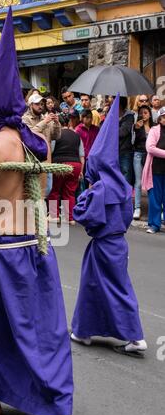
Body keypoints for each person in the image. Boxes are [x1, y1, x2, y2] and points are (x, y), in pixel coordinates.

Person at [0, 8, 75, 415]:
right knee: (41, 328)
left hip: (2, 249)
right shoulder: (35, 141)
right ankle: (56, 413)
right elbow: (40, 188)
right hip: (38, 246)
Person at [71, 95, 147, 358]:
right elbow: (123, 216)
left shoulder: (101, 188)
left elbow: (83, 214)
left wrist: (86, 195)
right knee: (99, 283)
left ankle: (134, 336)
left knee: (113, 286)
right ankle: (85, 330)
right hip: (118, 242)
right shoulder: (123, 187)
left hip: (104, 244)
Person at [48, 114, 85, 224]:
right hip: (75, 165)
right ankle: (69, 218)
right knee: (70, 192)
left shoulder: (56, 135)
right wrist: (81, 171)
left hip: (59, 164)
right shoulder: (77, 135)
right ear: (68, 123)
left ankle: (54, 215)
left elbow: (51, 151)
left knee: (55, 190)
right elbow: (82, 155)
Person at [142, 107, 165, 234]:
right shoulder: (154, 130)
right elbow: (150, 148)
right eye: (164, 116)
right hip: (155, 170)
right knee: (155, 199)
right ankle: (154, 225)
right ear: (160, 118)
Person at [133, 105, 155, 220]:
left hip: (151, 156)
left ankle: (154, 208)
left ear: (150, 114)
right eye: (141, 113)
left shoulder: (154, 127)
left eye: (145, 112)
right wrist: (136, 129)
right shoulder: (137, 126)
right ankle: (137, 208)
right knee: (138, 182)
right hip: (138, 154)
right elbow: (133, 142)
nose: (143, 115)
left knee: (151, 182)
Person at [119, 97, 135, 185]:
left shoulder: (129, 116)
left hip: (125, 151)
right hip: (113, 151)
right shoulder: (110, 115)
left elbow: (122, 132)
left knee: (126, 175)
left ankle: (126, 198)